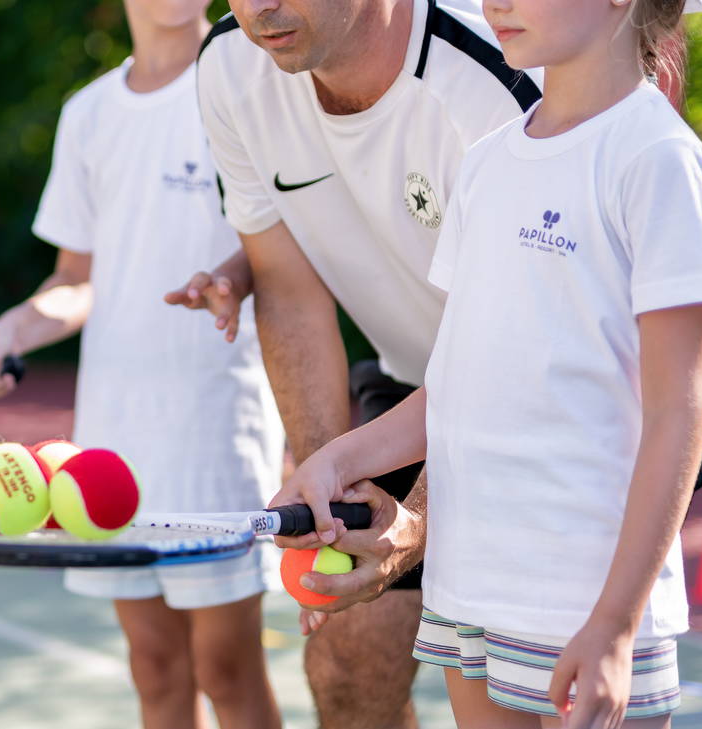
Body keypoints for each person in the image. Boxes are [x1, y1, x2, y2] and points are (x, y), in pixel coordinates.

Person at [285, 0, 702, 722]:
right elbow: (457, 385)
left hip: (588, 604)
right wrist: (336, 460)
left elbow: (678, 418)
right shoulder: (487, 161)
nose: (495, 2)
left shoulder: (660, 162)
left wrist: (615, 623)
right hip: (470, 592)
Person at [163, 0, 546, 724]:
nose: (260, 8)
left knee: (527, 688)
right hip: (414, 383)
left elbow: (523, 348)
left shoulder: (498, 82)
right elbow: (288, 289)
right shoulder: (230, 66)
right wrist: (329, 510)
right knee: (348, 663)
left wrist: (418, 521)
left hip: (556, 397)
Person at [0, 1, 286, 727]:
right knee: (154, 665)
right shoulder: (89, 112)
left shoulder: (253, 78)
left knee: (228, 668)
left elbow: (286, 240)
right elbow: (76, 279)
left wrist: (231, 277)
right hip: (113, 435)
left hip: (215, 422)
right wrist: (11, 329)